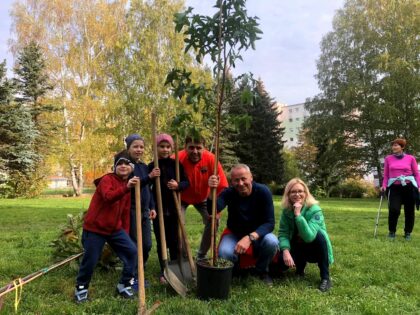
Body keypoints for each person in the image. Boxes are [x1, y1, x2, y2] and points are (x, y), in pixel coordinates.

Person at [74, 150, 139, 303]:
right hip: (95, 228)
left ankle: (124, 284)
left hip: (115, 230)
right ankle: (81, 289)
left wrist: (126, 235)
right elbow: (108, 197)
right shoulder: (107, 180)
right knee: (91, 259)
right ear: (114, 167)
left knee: (131, 251)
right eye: (119, 163)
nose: (123, 166)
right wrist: (126, 188)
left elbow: (125, 213)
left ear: (132, 168)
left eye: (126, 163)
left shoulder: (127, 186)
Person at [210, 164, 278, 286]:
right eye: (236, 180)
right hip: (234, 233)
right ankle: (236, 270)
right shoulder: (229, 193)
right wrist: (211, 190)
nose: (240, 183)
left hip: (258, 234)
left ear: (251, 177)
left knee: (272, 241)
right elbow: (213, 209)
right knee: (224, 252)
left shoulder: (263, 191)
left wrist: (249, 237)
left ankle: (261, 271)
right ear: (232, 182)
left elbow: (270, 223)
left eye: (243, 178)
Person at [278, 178, 334, 292]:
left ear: (306, 193)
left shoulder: (315, 210)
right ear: (288, 194)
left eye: (300, 191)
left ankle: (325, 278)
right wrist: (285, 251)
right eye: (293, 191)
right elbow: (283, 232)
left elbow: (309, 237)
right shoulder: (286, 211)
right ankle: (299, 270)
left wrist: (298, 215)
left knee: (319, 236)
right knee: (278, 267)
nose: (297, 194)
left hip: (315, 248)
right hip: (298, 246)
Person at [178, 135, 228, 260]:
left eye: (198, 148)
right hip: (181, 197)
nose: (195, 151)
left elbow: (222, 187)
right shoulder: (177, 158)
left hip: (204, 197)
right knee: (177, 224)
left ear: (204, 148)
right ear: (185, 148)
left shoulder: (211, 159)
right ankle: (185, 257)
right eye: (191, 148)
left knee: (213, 221)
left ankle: (201, 255)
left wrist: (216, 210)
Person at [148, 133, 189, 284]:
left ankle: (175, 266)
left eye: (168, 146)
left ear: (172, 148)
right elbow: (147, 188)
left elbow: (186, 183)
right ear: (156, 148)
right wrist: (151, 176)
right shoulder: (152, 166)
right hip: (158, 209)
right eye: (161, 146)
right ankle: (164, 268)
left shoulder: (177, 165)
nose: (165, 149)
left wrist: (178, 185)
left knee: (174, 240)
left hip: (173, 209)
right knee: (161, 241)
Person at [125, 134, 159, 288]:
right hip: (132, 210)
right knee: (134, 245)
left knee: (146, 244)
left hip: (145, 210)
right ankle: (131, 276)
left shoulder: (144, 166)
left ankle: (140, 271)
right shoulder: (126, 166)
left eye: (141, 147)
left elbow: (148, 189)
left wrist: (152, 206)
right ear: (128, 148)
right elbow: (133, 185)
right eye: (135, 146)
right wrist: (150, 177)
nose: (139, 149)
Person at [381, 138, 420, 241]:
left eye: (396, 145)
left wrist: (419, 186)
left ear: (402, 147)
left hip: (408, 186)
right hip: (394, 187)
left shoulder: (411, 158)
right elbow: (386, 175)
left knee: (409, 211)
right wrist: (384, 185)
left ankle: (407, 232)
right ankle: (392, 232)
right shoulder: (388, 158)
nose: (394, 147)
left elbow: (416, 174)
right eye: (393, 145)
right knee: (394, 209)